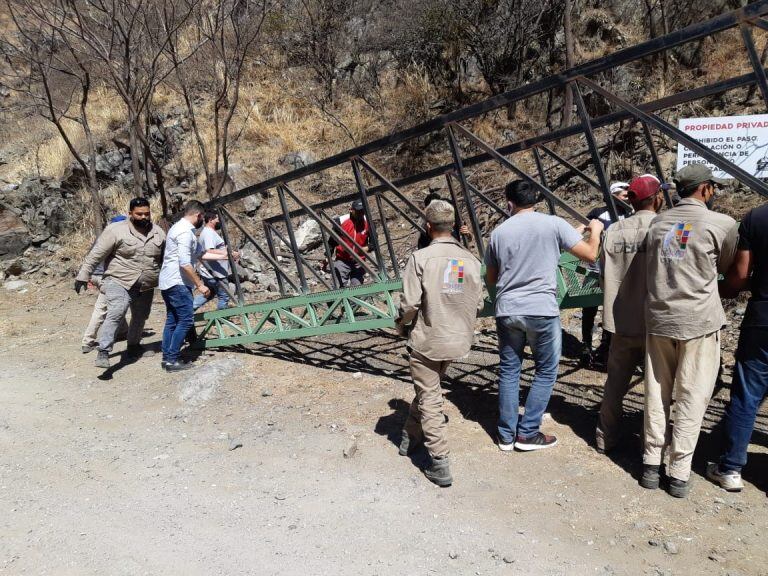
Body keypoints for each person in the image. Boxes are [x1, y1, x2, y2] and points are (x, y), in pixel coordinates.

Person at [641, 164, 738, 498]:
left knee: (656, 392)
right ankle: (679, 472)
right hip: (698, 321)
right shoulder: (722, 224)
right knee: (692, 396)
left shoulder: (657, 222)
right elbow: (725, 267)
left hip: (659, 319)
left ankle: (651, 464)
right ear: (706, 189)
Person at [485, 180, 604, 451]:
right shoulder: (553, 224)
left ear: (509, 203)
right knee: (546, 370)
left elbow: (491, 277)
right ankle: (527, 433)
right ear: (536, 201)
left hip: (508, 310)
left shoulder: (499, 233)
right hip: (541, 309)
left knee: (509, 370)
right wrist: (594, 231)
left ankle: (506, 435)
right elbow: (590, 253)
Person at [395, 200, 484, 487]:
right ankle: (409, 438)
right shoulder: (469, 261)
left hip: (428, 340)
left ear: (428, 226)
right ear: (453, 226)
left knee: (430, 398)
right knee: (428, 388)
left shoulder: (420, 259)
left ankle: (440, 462)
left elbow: (409, 305)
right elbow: (478, 303)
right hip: (456, 341)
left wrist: (400, 325)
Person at [595, 175, 665, 454]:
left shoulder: (614, 231)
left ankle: (605, 436)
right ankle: (652, 444)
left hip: (621, 319)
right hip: (656, 321)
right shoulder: (666, 228)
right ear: (657, 197)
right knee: (657, 386)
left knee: (615, 381)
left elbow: (603, 274)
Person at [706, 202, 768, 492]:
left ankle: (730, 468)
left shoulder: (757, 216)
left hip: (763, 319)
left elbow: (740, 276)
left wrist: (710, 289)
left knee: (747, 393)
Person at [75, 198, 166, 369]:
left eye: (147, 213)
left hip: (146, 284)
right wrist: (83, 275)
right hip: (118, 280)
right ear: (130, 213)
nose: (144, 217)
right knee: (117, 310)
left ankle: (133, 346)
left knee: (141, 316)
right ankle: (104, 350)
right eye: (139, 214)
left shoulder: (158, 232)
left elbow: (165, 258)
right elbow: (96, 255)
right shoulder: (115, 230)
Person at [158, 200, 210, 372]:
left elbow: (201, 253)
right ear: (198, 215)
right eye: (202, 217)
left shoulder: (177, 228)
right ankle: (172, 360)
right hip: (178, 283)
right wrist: (200, 284)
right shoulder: (185, 232)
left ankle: (167, 358)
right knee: (186, 320)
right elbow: (185, 263)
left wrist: (226, 255)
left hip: (168, 282)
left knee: (172, 321)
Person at [80, 215, 129, 353]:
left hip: (95, 275)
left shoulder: (103, 236)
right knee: (101, 309)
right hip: (105, 277)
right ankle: (87, 341)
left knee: (117, 302)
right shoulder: (117, 237)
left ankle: (123, 331)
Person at [193, 211, 238, 311]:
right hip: (215, 273)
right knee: (225, 296)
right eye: (217, 219)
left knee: (209, 294)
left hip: (210, 271)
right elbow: (210, 250)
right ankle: (222, 319)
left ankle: (189, 308)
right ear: (210, 220)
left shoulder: (207, 232)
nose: (219, 221)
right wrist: (227, 253)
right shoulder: (208, 233)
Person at [332, 199, 369, 288]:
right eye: (358, 211)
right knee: (336, 287)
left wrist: (367, 248)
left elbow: (374, 243)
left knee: (357, 288)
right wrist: (327, 256)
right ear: (351, 210)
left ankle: (355, 302)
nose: (360, 214)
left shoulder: (368, 222)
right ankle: (333, 302)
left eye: (362, 211)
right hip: (342, 260)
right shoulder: (341, 221)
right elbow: (331, 241)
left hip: (359, 261)